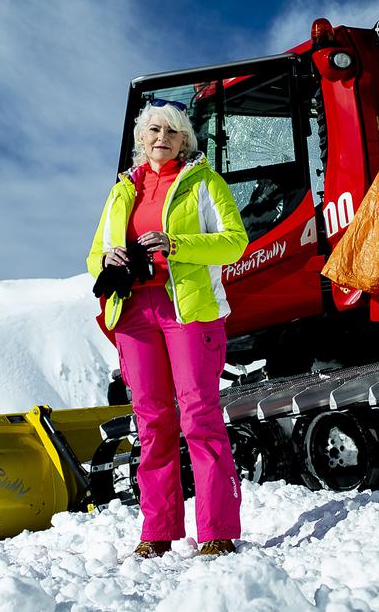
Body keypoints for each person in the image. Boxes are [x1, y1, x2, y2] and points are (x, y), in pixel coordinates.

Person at [87, 97, 248, 559]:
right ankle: (157, 531)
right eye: (154, 130)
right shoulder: (122, 192)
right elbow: (94, 251)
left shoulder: (203, 182)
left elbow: (234, 243)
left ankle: (217, 530)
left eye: (172, 131)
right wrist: (107, 258)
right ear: (141, 138)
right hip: (135, 311)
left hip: (188, 311)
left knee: (199, 416)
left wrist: (176, 243)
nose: (162, 138)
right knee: (152, 421)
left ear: (185, 140)